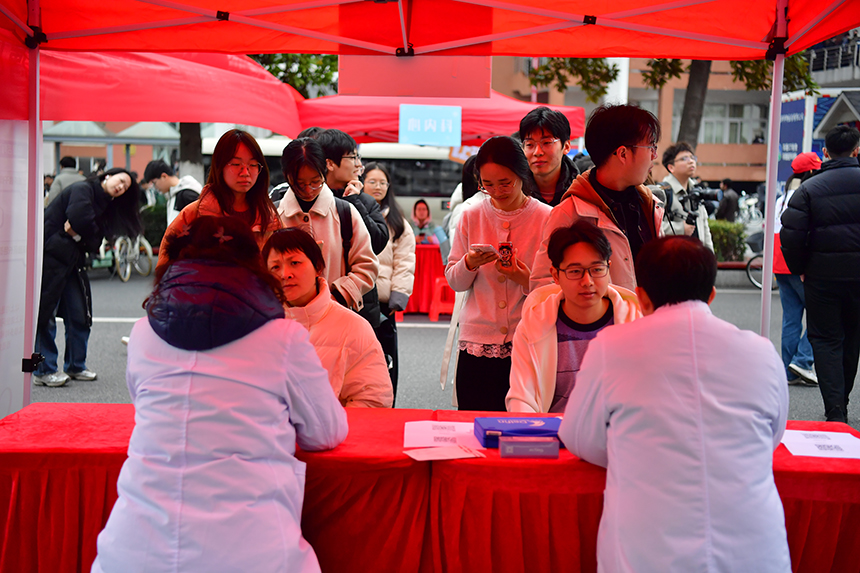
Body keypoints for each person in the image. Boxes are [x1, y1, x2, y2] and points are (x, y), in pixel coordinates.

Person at [92, 216, 348, 573]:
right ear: (252, 266)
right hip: (253, 550)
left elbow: (144, 406)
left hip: (137, 545)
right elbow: (326, 431)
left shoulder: (143, 334)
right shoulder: (282, 337)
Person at [559, 236, 790, 573]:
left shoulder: (612, 347)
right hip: (754, 550)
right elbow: (772, 436)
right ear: (712, 294)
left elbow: (580, 437)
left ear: (642, 295)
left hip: (648, 551)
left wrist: (634, 449)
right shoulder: (761, 351)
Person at [445, 136, 552, 411]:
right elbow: (455, 281)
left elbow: (555, 288)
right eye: (487, 184)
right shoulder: (471, 215)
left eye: (505, 182)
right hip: (477, 342)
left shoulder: (546, 218)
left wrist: (524, 279)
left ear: (522, 173)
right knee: (474, 424)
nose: (496, 191)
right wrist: (469, 262)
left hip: (526, 340)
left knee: (521, 427)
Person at [506, 221, 641, 413]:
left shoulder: (637, 323)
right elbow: (522, 398)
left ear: (608, 268)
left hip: (617, 436)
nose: (587, 282)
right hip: (552, 434)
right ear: (555, 275)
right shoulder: (533, 325)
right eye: (575, 271)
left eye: (596, 269)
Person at [531, 104, 664, 292]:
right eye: (650, 146)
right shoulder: (570, 213)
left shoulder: (650, 205)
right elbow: (543, 283)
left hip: (650, 320)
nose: (654, 155)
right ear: (623, 153)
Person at [781, 125, 860, 423]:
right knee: (852, 338)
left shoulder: (809, 189)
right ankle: (843, 400)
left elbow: (791, 235)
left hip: (821, 277)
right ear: (856, 151)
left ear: (825, 152)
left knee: (825, 340)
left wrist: (800, 269)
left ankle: (835, 410)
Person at [34, 168, 142, 387]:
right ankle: (44, 370)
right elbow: (79, 218)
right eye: (121, 180)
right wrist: (81, 233)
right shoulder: (83, 189)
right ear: (107, 176)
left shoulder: (106, 205)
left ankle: (76, 366)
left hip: (74, 261)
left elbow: (94, 242)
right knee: (45, 314)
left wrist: (77, 234)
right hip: (51, 258)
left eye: (126, 187)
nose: (121, 187)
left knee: (80, 313)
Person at [263, 228, 393, 408]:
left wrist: (328, 431)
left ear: (318, 267)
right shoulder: (258, 327)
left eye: (295, 262)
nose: (285, 274)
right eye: (275, 267)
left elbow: (373, 400)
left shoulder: (354, 327)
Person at [156, 129, 281, 272]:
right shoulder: (192, 214)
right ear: (219, 167)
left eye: (253, 165)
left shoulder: (271, 218)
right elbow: (165, 269)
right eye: (236, 164)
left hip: (257, 294)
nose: (245, 172)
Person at [277, 138, 378, 311]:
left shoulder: (345, 212)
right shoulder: (274, 216)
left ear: (324, 172)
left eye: (315, 182)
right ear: (287, 177)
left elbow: (367, 267)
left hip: (334, 316)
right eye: (300, 184)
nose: (308, 190)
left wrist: (338, 296)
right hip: (286, 319)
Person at [363, 162, 416, 400]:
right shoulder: (351, 211)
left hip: (384, 301)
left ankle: (386, 403)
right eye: (372, 181)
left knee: (386, 359)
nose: (378, 187)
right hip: (358, 298)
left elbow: (405, 261)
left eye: (383, 182)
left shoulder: (397, 220)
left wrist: (398, 296)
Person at [773, 152, 821, 387]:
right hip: (798, 264)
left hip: (780, 264)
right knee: (821, 315)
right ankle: (802, 361)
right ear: (811, 172)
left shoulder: (783, 196)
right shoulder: (808, 195)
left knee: (791, 320)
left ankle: (788, 369)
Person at [519, 106, 578, 207]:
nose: (537, 152)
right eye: (529, 144)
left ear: (566, 147)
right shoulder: (514, 192)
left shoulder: (582, 191)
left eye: (546, 143)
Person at [661, 142, 714, 250]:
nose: (691, 161)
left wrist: (710, 259)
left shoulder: (697, 191)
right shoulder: (662, 192)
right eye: (684, 158)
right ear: (671, 167)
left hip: (698, 259)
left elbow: (705, 230)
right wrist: (680, 228)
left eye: (692, 157)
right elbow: (652, 227)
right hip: (673, 260)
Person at [142, 159, 203, 225]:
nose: (155, 187)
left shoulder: (186, 194)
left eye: (154, 183)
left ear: (164, 176)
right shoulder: (173, 194)